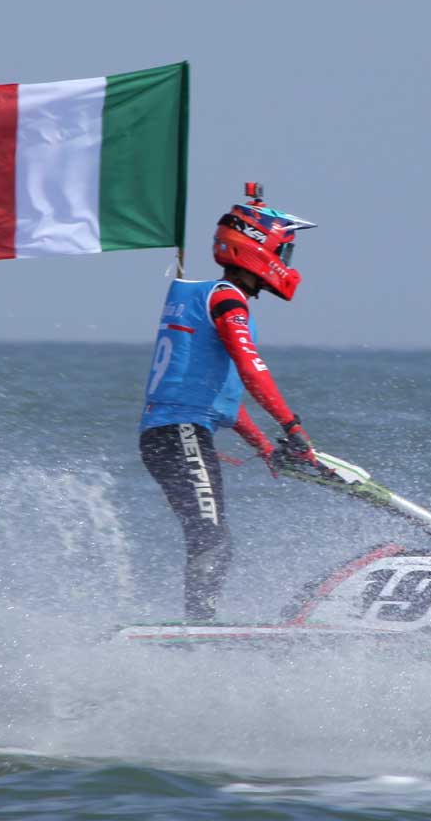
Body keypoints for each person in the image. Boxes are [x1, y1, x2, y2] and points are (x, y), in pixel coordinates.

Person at [139, 183, 319, 622]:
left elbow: (217, 399)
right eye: (285, 252)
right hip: (180, 434)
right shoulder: (226, 298)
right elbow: (251, 367)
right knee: (212, 538)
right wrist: (292, 428)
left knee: (210, 536)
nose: (287, 264)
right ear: (259, 248)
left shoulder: (198, 298)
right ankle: (198, 628)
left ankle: (197, 624)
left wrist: (265, 446)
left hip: (171, 434)